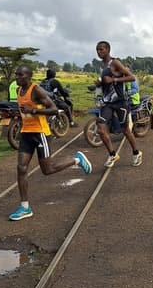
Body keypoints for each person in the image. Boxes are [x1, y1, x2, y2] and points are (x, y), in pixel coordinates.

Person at [8, 65, 92, 221]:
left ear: (28, 76)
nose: (17, 77)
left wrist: (33, 111)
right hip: (26, 134)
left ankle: (77, 159)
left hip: (41, 134)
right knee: (21, 168)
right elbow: (24, 110)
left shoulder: (36, 90)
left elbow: (54, 110)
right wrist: (18, 114)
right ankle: (25, 207)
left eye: (20, 75)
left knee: (48, 169)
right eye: (16, 74)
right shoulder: (19, 91)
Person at [94, 41, 143, 168]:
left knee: (125, 130)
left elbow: (131, 77)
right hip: (108, 102)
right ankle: (112, 154)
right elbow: (106, 82)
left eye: (101, 49)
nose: (99, 52)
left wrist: (114, 79)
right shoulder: (101, 65)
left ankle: (136, 153)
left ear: (108, 50)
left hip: (120, 102)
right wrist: (100, 84)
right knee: (100, 126)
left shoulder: (115, 63)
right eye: (97, 50)